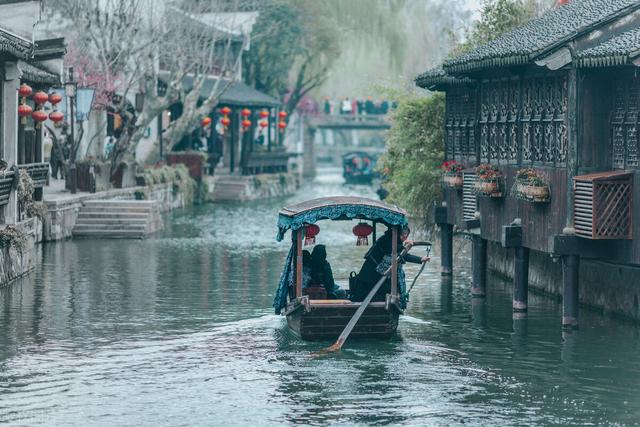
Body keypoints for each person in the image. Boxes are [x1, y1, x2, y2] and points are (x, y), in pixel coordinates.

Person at [351, 226, 430, 302]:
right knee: (365, 293)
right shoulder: (386, 240)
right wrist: (405, 247)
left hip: (378, 273)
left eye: (407, 234)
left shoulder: (395, 242)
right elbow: (394, 250)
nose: (405, 236)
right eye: (403, 234)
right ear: (398, 233)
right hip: (371, 272)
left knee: (392, 289)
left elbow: (402, 255)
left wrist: (420, 259)